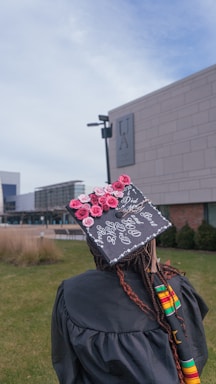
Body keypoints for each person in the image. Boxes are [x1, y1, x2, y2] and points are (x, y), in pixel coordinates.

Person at [51, 174, 208, 384]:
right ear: (149, 242)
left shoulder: (71, 293)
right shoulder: (174, 288)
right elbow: (194, 349)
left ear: (94, 246)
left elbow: (68, 367)